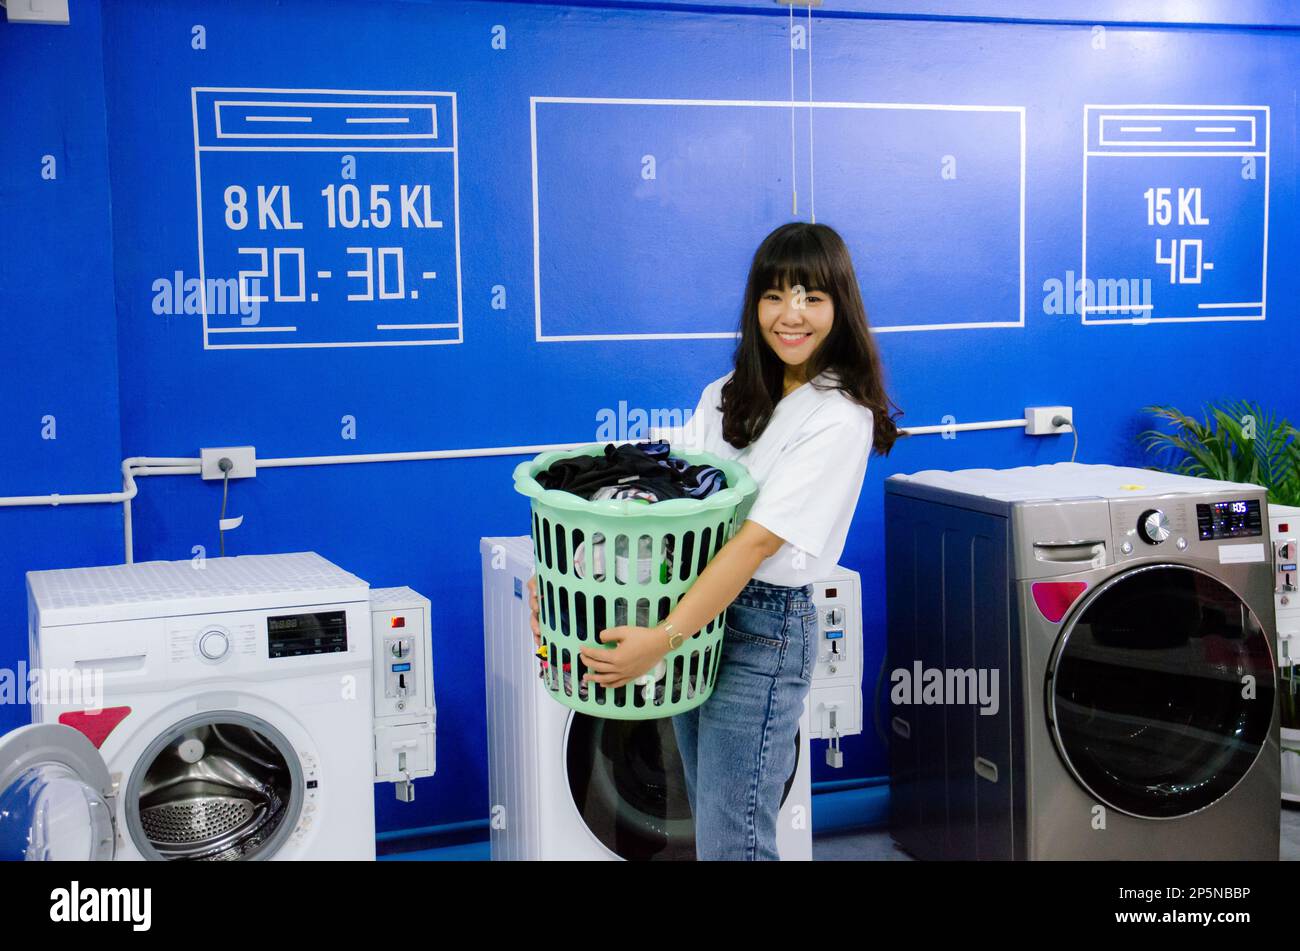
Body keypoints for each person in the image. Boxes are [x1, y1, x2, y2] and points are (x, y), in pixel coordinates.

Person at [529, 221, 901, 859]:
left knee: (735, 842)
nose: (792, 315)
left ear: (841, 307)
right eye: (775, 295)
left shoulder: (839, 416)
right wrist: (564, 586)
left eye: (813, 297)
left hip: (761, 628)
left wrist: (662, 639)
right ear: (754, 303)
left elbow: (753, 545)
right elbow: (667, 514)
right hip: (697, 615)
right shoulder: (727, 397)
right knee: (712, 829)